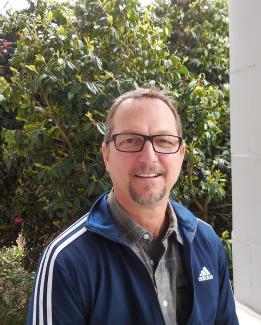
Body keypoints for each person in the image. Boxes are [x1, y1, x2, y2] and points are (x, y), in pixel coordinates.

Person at [27, 88, 239, 325]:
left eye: (164, 141)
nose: (149, 158)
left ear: (181, 154)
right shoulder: (67, 261)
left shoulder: (206, 241)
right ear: (106, 156)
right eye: (130, 141)